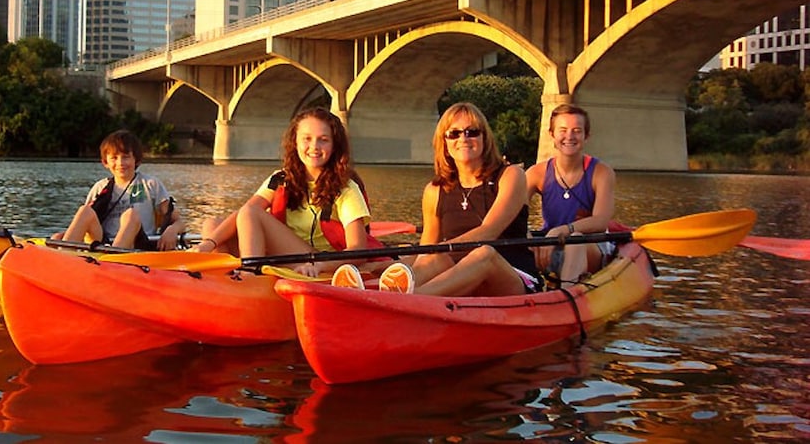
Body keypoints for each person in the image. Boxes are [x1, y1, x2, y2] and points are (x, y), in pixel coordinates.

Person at [331, 102, 541, 296]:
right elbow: (427, 251)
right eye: (454, 133)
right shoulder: (434, 191)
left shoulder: (510, 175)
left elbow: (489, 232)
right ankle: (368, 293)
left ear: (485, 138)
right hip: (459, 276)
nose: (463, 139)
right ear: (444, 141)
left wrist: (439, 250)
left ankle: (407, 300)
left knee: (483, 253)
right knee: (435, 257)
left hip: (513, 276)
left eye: (472, 132)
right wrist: (380, 266)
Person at [193, 107, 379, 277]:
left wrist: (320, 265)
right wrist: (207, 243)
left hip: (318, 263)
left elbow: (357, 250)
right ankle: (220, 280)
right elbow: (240, 216)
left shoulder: (346, 189)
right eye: (307, 138)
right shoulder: (280, 179)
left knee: (250, 213)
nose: (314, 146)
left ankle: (249, 276)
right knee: (212, 225)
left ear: (334, 146)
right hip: (283, 255)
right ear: (295, 142)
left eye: (324, 140)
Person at [525, 104, 616, 287]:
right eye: (563, 130)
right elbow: (513, 214)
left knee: (575, 240)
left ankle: (566, 294)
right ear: (552, 134)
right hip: (549, 242)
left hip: (590, 245)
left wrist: (563, 230)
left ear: (586, 136)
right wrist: (527, 237)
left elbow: (601, 221)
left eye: (577, 131)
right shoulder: (536, 173)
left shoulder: (602, 172)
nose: (569, 137)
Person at [57, 129, 185, 250]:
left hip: (138, 244)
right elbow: (85, 222)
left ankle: (113, 257)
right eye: (114, 158)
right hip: (104, 242)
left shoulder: (151, 184)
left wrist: (171, 230)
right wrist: (65, 236)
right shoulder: (100, 187)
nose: (120, 163)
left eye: (126, 157)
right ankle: (63, 255)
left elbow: (179, 222)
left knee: (131, 215)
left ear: (136, 160)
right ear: (105, 162)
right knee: (84, 211)